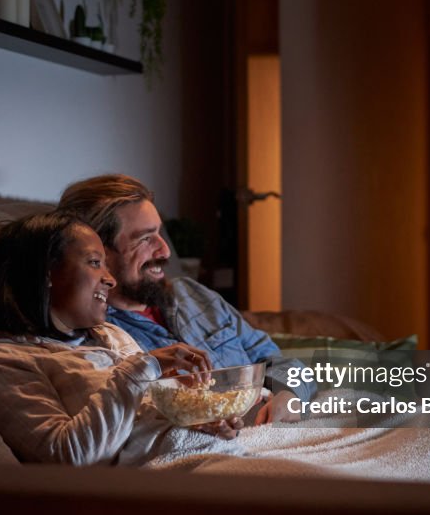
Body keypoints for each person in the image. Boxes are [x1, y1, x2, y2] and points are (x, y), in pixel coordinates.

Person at [0, 212, 243, 466]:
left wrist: (200, 417)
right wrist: (144, 368)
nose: (110, 280)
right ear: (46, 272)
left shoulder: (110, 334)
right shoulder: (3, 360)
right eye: (95, 263)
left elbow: (147, 412)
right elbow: (68, 456)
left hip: (221, 450)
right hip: (172, 476)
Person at [58, 174, 315, 424]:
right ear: (97, 253)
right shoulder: (94, 338)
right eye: (145, 239)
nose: (165, 250)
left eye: (160, 233)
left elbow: (279, 361)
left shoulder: (193, 294)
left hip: (276, 429)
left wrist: (290, 396)